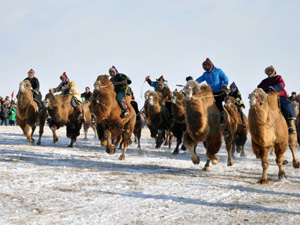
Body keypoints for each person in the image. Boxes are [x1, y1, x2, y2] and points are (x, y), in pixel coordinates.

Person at [258, 65, 296, 134]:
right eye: (268, 71)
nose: (269, 72)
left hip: (279, 96)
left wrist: (273, 88)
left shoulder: (278, 77)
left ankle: (289, 125)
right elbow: (259, 87)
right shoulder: (264, 81)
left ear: (273, 71)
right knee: (258, 106)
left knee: (286, 104)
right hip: (267, 97)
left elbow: (282, 84)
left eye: (271, 71)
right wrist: (258, 92)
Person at [195, 58, 229, 124]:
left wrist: (224, 85)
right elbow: (198, 80)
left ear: (210, 65)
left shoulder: (218, 71)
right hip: (211, 93)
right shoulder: (205, 74)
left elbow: (225, 78)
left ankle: (223, 118)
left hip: (220, 91)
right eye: (204, 66)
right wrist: (191, 84)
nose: (206, 67)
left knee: (219, 103)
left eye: (207, 65)